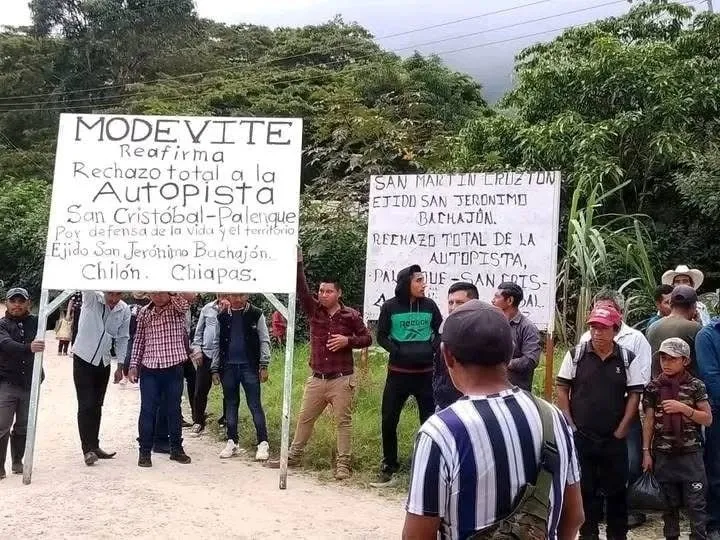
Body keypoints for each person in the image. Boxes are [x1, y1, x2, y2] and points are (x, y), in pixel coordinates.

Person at [403, 300, 584, 539]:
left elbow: (417, 535)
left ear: (448, 356)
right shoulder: (553, 417)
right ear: (510, 353)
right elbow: (574, 516)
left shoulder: (441, 432)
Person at [267, 249, 371, 480]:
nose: (323, 294)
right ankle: (293, 457)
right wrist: (298, 264)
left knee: (343, 422)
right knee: (305, 418)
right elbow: (302, 290)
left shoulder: (350, 316)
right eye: (321, 291)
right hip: (317, 378)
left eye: (329, 291)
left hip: (342, 379)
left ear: (338, 293)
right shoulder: (315, 311)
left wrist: (348, 341)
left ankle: (343, 464)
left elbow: (367, 339)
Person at [556, 305, 645, 540]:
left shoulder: (627, 358)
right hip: (582, 437)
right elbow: (562, 388)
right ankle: (588, 534)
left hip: (614, 439)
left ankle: (617, 535)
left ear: (615, 330)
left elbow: (634, 395)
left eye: (603, 328)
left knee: (617, 492)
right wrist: (570, 424)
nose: (597, 332)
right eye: (594, 327)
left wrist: (623, 429)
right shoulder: (575, 355)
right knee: (585, 491)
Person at [578, 290, 652, 529]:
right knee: (591, 466)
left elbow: (642, 378)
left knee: (628, 463)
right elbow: (576, 381)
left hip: (625, 413)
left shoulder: (636, 338)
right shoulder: (584, 341)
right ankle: (594, 512)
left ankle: (619, 512)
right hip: (593, 417)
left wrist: (628, 416)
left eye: (608, 308)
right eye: (598, 308)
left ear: (619, 313)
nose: (602, 315)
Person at [374, 264, 442, 487]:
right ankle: (389, 463)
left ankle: (428, 464)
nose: (424, 285)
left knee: (429, 421)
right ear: (407, 283)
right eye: (419, 281)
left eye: (424, 280)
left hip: (425, 375)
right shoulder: (390, 307)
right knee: (389, 420)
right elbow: (381, 336)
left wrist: (432, 347)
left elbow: (439, 331)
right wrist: (397, 351)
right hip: (398, 375)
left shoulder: (430, 306)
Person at [642, 337, 712, 540]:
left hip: (690, 454)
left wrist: (684, 409)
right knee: (668, 505)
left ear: (685, 361)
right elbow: (648, 421)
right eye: (663, 358)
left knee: (696, 504)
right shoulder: (654, 387)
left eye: (672, 358)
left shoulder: (696, 386)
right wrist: (646, 452)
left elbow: (707, 419)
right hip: (663, 454)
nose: (666, 363)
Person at [128, 292, 197, 467]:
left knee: (173, 410)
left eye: (161, 292)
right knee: (147, 410)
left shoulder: (177, 307)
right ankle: (144, 452)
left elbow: (187, 300)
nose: (157, 296)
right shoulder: (144, 312)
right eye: (154, 293)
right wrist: (133, 364)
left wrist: (172, 289)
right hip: (150, 368)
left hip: (173, 367)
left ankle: (176, 449)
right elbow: (139, 340)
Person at [72, 291, 130, 466]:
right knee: (86, 404)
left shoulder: (123, 309)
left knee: (97, 404)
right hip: (83, 357)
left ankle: (95, 445)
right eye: (110, 294)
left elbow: (122, 337)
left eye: (118, 294)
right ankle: (87, 449)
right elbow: (87, 283)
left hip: (104, 361)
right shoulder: (92, 298)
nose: (113, 298)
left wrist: (120, 366)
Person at [211, 293, 271, 461]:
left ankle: (263, 442)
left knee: (254, 404)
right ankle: (232, 440)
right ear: (228, 295)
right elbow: (216, 342)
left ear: (248, 295)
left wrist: (264, 364)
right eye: (234, 295)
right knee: (230, 404)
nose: (238, 299)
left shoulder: (256, 313)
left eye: (242, 295)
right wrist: (215, 368)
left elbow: (264, 339)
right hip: (228, 366)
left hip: (249, 366)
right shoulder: (221, 316)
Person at [0, 288, 45, 479]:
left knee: (24, 426)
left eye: (21, 301)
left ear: (28, 303)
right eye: (13, 301)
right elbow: (6, 344)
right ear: (6, 303)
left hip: (30, 382)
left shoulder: (38, 322)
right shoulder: (1, 325)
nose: (17, 304)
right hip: (7, 383)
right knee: (2, 425)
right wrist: (29, 347)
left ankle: (17, 461)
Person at [432, 282, 477, 410]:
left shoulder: (482, 333)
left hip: (469, 404)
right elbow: (439, 365)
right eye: (450, 302)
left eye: (459, 302)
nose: (453, 307)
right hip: (443, 401)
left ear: (473, 304)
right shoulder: (444, 328)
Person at [491, 281, 542, 391]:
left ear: (509, 300)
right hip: (492, 390)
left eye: (497, 297)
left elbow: (530, 360)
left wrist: (502, 364)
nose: (493, 300)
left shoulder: (528, 328)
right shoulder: (493, 323)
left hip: (517, 392)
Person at [696, 319, 720, 539]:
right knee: (716, 469)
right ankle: (714, 523)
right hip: (719, 412)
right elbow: (711, 377)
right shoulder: (708, 335)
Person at [189, 294, 226, 437]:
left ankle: (226, 421)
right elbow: (198, 333)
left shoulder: (233, 309)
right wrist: (197, 350)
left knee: (228, 391)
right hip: (206, 355)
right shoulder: (207, 308)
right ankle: (198, 421)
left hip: (224, 356)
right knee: (200, 390)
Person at [647, 285, 703, 377]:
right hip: (686, 388)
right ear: (694, 306)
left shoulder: (652, 326)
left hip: (657, 386)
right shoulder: (695, 328)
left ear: (671, 304)